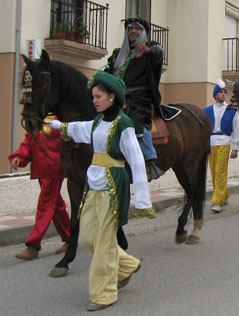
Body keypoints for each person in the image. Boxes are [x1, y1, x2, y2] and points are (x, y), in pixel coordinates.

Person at [48, 72, 154, 311]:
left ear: (112, 97)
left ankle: (104, 294)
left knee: (105, 241)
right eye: (93, 97)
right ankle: (126, 264)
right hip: (93, 185)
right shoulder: (97, 122)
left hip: (112, 187)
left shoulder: (124, 124)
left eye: (98, 97)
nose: (94, 101)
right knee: (87, 236)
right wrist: (56, 125)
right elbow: (79, 128)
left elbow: (136, 160)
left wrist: (143, 200)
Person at [105, 17, 165, 180]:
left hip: (139, 97)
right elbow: (108, 71)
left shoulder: (151, 48)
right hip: (115, 96)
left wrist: (149, 51)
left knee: (135, 120)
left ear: (144, 32)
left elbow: (158, 55)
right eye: (130, 29)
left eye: (138, 29)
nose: (133, 31)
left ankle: (148, 160)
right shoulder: (117, 54)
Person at [9, 122, 70, 260]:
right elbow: (30, 139)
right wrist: (20, 156)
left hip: (54, 167)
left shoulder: (61, 118)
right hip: (41, 168)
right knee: (55, 205)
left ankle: (33, 246)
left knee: (46, 204)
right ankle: (70, 238)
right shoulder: (39, 117)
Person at [204, 79, 239, 213]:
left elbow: (237, 130)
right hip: (210, 144)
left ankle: (217, 202)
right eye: (220, 92)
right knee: (214, 173)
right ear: (215, 95)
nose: (223, 94)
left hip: (224, 143)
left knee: (220, 172)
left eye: (224, 92)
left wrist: (236, 148)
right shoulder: (207, 111)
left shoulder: (232, 111)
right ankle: (224, 194)